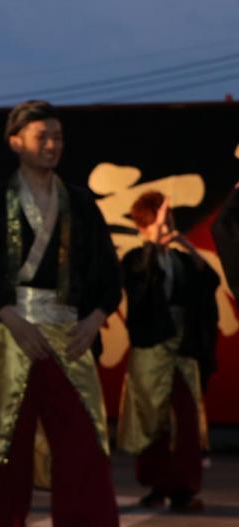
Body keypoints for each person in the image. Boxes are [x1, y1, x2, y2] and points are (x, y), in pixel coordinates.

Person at [0, 100, 121, 527]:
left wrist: (95, 319)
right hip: (12, 336)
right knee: (4, 451)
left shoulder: (80, 205)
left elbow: (107, 272)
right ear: (15, 141)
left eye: (58, 137)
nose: (51, 144)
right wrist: (11, 319)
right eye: (42, 136)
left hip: (70, 336)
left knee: (84, 447)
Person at [118, 191, 219, 512]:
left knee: (186, 420)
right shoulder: (134, 258)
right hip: (151, 350)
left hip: (181, 348)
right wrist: (155, 242)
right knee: (152, 422)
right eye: (159, 221)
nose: (165, 226)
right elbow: (140, 287)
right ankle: (156, 485)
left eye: (168, 220)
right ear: (144, 224)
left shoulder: (180, 260)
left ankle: (183, 489)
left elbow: (209, 280)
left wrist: (186, 244)